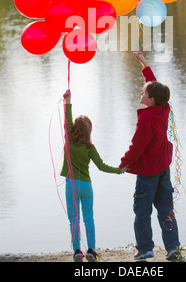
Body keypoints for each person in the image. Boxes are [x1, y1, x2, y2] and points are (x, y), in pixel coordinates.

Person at [119, 52, 180, 261]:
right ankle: (173, 247)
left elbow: (138, 145)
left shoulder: (146, 119)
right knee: (165, 208)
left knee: (142, 211)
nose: (142, 92)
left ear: (151, 99)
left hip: (148, 172)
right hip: (163, 167)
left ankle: (145, 248)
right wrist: (144, 64)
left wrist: (124, 163)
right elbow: (155, 85)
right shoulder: (164, 108)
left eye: (145, 92)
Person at [61, 88, 127, 262]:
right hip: (86, 186)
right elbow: (102, 166)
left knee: (73, 219)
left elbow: (67, 120)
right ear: (89, 132)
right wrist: (119, 170)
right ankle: (91, 251)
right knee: (88, 218)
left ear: (74, 129)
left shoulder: (69, 140)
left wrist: (68, 100)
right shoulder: (90, 148)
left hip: (71, 185)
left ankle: (77, 252)